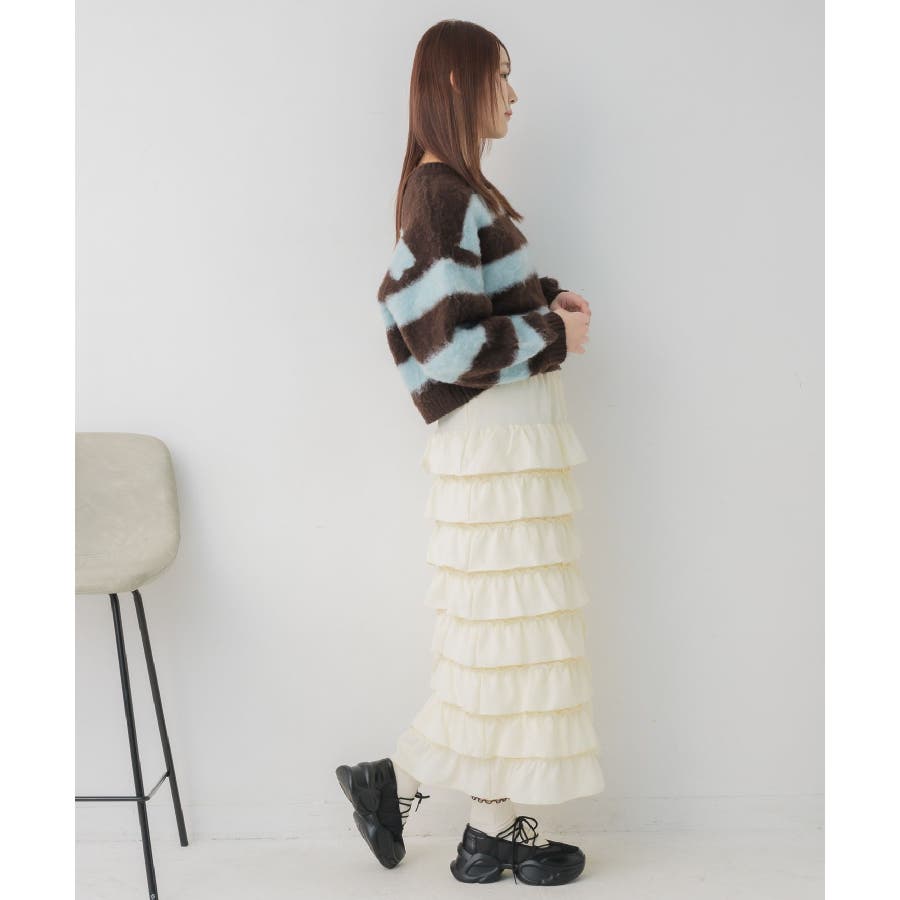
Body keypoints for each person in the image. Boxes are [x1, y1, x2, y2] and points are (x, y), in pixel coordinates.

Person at [335, 19, 603, 886]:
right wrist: (551, 331)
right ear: (457, 83)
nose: (514, 95)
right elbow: (447, 346)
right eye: (502, 76)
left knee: (511, 642)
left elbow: (467, 308)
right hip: (495, 455)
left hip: (505, 453)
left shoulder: (453, 191)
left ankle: (490, 828)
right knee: (506, 641)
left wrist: (544, 296)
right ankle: (407, 783)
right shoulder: (441, 191)